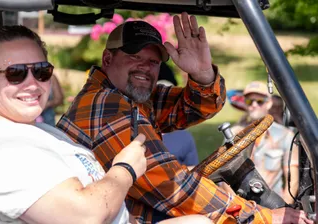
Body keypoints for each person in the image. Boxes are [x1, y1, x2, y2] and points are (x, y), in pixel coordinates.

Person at [56, 13, 312, 223]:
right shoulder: (107, 106)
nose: (145, 68)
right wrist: (260, 216)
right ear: (107, 58)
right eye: (135, 57)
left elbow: (194, 108)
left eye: (154, 62)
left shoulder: (130, 98)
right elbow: (171, 186)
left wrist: (202, 75)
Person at [0, 25, 212, 224]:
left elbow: (189, 109)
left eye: (41, 71)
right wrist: (126, 169)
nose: (32, 83)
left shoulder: (33, 131)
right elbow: (84, 215)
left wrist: (202, 74)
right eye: (15, 73)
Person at [228, 81, 299, 205]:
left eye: (260, 101)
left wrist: (284, 208)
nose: (254, 105)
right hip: (241, 205)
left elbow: (292, 179)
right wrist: (236, 205)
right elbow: (224, 175)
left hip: (272, 206)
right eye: (249, 101)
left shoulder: (285, 135)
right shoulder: (232, 134)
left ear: (269, 103)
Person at [157, 63, 199, 167]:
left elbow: (193, 168)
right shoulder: (137, 131)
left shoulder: (184, 137)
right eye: (157, 97)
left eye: (168, 97)